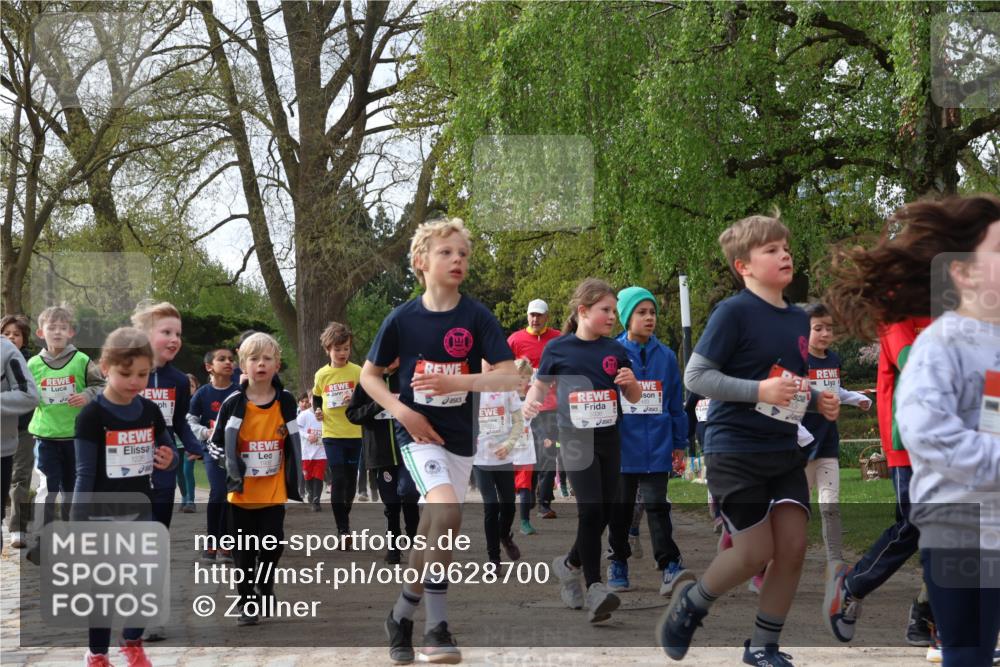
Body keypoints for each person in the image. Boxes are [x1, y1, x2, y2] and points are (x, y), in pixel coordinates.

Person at [658, 214, 840, 666]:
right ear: (744, 266)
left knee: (795, 547)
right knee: (754, 552)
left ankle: (763, 646)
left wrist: (817, 399)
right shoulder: (733, 312)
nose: (784, 255)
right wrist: (758, 391)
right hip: (734, 448)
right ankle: (692, 603)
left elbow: (785, 382)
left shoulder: (799, 319)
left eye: (786, 248)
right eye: (771, 250)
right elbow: (696, 375)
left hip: (782, 448)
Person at [828, 194, 1000, 667]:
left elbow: (993, 415)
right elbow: (927, 417)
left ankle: (925, 615)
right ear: (961, 272)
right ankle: (907, 609)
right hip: (938, 495)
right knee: (914, 528)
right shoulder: (929, 335)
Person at [362, 217, 516, 664]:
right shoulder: (402, 319)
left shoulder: (476, 316)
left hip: (460, 438)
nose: (457, 260)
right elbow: (370, 375)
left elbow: (507, 376)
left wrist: (459, 383)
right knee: (446, 511)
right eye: (446, 252)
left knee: (436, 526)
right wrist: (402, 409)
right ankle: (437, 628)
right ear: (421, 262)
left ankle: (401, 613)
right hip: (416, 433)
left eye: (463, 254)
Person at [524, 278, 642, 623]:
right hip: (575, 439)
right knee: (591, 510)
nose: (612, 317)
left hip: (609, 438)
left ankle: (570, 563)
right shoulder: (558, 350)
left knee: (604, 513)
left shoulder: (616, 350)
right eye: (605, 310)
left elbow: (632, 397)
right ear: (583, 311)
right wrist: (529, 407)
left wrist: (631, 385)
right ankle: (595, 587)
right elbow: (539, 388)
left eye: (614, 311)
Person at [72, 327, 177, 667]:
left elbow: (168, 447)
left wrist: (168, 457)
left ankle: (132, 641)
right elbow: (84, 473)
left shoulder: (148, 409)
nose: (135, 381)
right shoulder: (92, 415)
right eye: (126, 373)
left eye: (143, 374)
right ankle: (97, 655)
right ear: (105, 368)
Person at [211, 332, 303, 627]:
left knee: (273, 545)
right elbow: (214, 445)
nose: (260, 364)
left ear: (277, 365)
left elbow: (294, 441)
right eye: (254, 359)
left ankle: (265, 585)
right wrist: (231, 464)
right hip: (241, 494)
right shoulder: (233, 404)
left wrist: (296, 471)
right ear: (242, 365)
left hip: (273, 491)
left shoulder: (286, 402)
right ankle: (247, 600)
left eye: (267, 358)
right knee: (243, 552)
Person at [606, 286, 693, 596]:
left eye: (652, 312)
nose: (649, 318)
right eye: (641, 313)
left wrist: (679, 443)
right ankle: (618, 560)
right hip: (622, 446)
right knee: (621, 509)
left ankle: (669, 564)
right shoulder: (611, 353)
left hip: (657, 444)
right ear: (627, 317)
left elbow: (675, 405)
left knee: (657, 506)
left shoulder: (667, 356)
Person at [131, 301, 203, 642]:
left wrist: (200, 448)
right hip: (126, 473)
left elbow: (180, 426)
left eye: (178, 334)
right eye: (166, 332)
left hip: (162, 471)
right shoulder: (127, 371)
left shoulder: (177, 380)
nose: (174, 339)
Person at [801, 303, 871, 569]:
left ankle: (835, 562)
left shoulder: (833, 360)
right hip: (802, 448)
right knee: (797, 510)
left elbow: (836, 390)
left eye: (829, 328)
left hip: (828, 443)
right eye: (818, 328)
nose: (825, 333)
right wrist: (798, 435)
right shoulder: (799, 361)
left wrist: (857, 400)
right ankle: (780, 560)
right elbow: (790, 402)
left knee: (830, 506)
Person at [27, 305, 105, 526]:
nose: (58, 332)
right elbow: (25, 392)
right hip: (45, 437)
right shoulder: (32, 364)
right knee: (47, 488)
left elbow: (102, 386)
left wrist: (87, 395)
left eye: (63, 327)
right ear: (41, 333)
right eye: (52, 327)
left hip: (76, 438)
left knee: (72, 489)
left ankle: (72, 534)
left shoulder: (81, 360)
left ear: (71, 332)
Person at [346, 358, 420, 565]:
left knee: (409, 493)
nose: (394, 359)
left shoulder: (408, 378)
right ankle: (394, 547)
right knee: (391, 504)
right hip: (380, 454)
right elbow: (352, 414)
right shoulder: (368, 382)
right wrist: (379, 404)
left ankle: (415, 540)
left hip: (408, 448)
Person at [473, 358, 536, 565]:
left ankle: (504, 535)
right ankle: (494, 558)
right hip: (481, 458)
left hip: (503, 457)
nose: (490, 365)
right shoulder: (471, 391)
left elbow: (519, 422)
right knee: (491, 506)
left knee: (508, 506)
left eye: (494, 362)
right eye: (486, 361)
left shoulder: (507, 390)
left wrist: (509, 444)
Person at [507, 299, 562, 518]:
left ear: (546, 316)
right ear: (527, 315)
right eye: (532, 315)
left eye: (539, 315)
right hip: (524, 406)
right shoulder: (515, 340)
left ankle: (545, 503)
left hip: (551, 406)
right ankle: (526, 492)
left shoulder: (558, 339)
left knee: (549, 452)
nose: (535, 319)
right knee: (527, 453)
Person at [312, 321, 363, 545]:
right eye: (337, 349)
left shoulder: (358, 371)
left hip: (355, 433)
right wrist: (316, 411)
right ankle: (343, 530)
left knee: (351, 481)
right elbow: (316, 397)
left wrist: (356, 403)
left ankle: (345, 514)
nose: (342, 353)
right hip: (332, 433)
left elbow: (367, 396)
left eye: (346, 348)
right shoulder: (322, 375)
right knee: (339, 478)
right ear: (327, 350)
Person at [188, 347, 239, 562]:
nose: (228, 362)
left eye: (230, 359)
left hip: (236, 453)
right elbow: (190, 420)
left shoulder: (239, 392)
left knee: (232, 496)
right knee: (218, 492)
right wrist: (205, 432)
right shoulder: (202, 394)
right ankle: (212, 542)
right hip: (212, 451)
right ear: (209, 367)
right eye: (222, 359)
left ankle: (227, 544)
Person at [2, 314, 36, 549]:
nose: (12, 337)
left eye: (17, 334)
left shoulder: (14, 356)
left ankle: (18, 528)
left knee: (20, 479)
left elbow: (30, 395)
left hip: (20, 433)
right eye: (8, 332)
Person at [296, 392, 326, 511]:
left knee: (318, 476)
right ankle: (310, 494)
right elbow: (296, 428)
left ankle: (316, 501)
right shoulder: (304, 415)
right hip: (307, 452)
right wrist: (307, 435)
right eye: (314, 398)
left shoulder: (325, 413)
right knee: (308, 477)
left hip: (321, 451)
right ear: (310, 400)